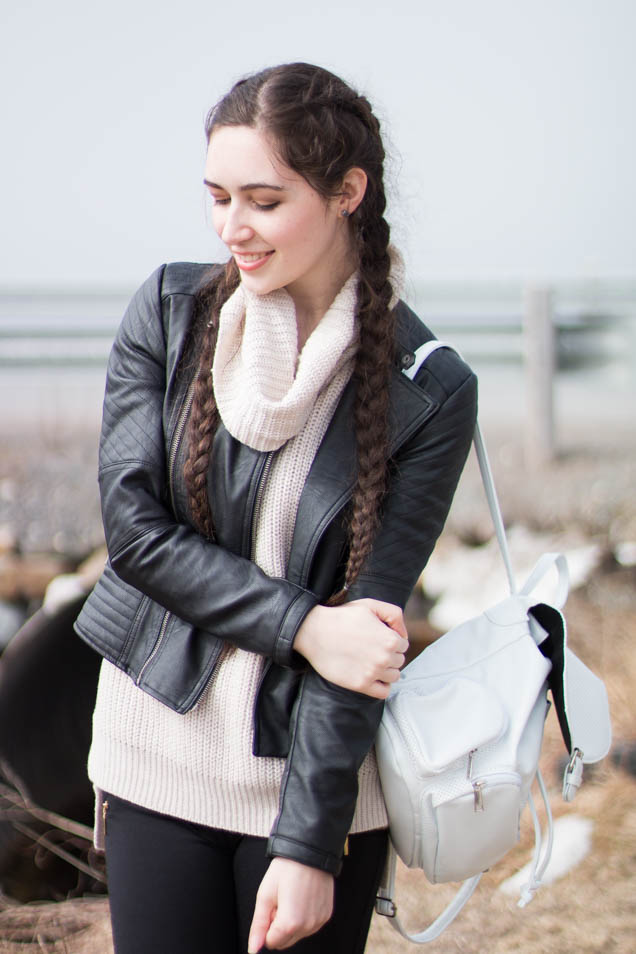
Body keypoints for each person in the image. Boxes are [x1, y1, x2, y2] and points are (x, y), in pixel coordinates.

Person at [74, 62, 477, 954]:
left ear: (347, 193)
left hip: (313, 790)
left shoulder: (428, 392)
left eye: (263, 201)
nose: (233, 228)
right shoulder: (169, 313)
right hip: (155, 758)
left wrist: (309, 845)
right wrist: (304, 627)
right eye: (218, 198)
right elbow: (137, 537)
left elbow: (365, 639)